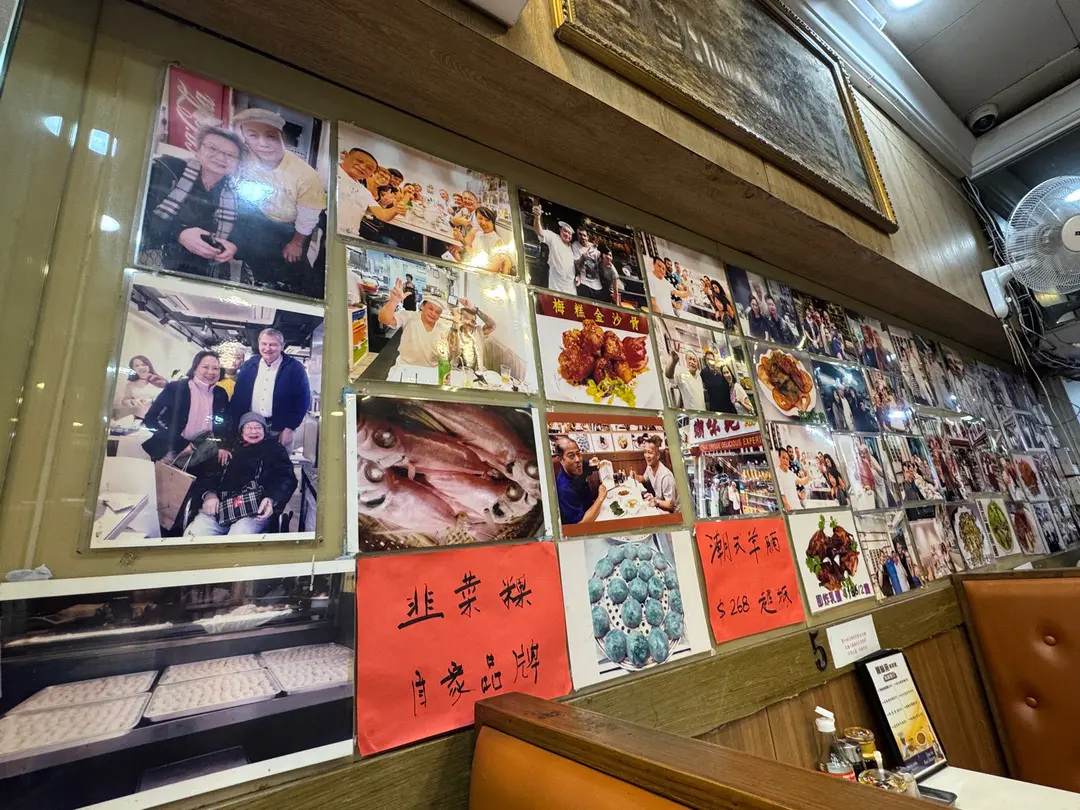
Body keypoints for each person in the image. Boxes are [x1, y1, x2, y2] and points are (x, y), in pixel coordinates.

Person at [232, 108, 327, 296]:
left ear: (282, 137)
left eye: (270, 136)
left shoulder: (306, 175)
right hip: (258, 217)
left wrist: (297, 243)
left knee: (295, 269)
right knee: (256, 258)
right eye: (253, 136)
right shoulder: (244, 158)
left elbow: (307, 218)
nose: (263, 144)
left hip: (292, 226)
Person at [141, 125, 244, 278]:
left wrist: (234, 247)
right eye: (212, 148)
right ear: (198, 150)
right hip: (154, 268)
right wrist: (179, 234)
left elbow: (245, 236)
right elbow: (139, 216)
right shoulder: (167, 169)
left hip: (207, 275)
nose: (221, 157)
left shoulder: (237, 195)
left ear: (237, 163)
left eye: (230, 155)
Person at [186, 412, 297, 537]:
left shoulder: (275, 449)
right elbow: (207, 474)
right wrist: (209, 494)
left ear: (264, 431)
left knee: (239, 535)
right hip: (220, 507)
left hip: (254, 511)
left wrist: (271, 498)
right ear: (241, 430)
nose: (253, 431)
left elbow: (286, 478)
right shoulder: (227, 448)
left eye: (258, 427)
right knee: (196, 533)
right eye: (248, 427)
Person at [142, 351, 231, 464]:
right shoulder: (176, 388)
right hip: (172, 452)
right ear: (194, 369)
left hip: (206, 453)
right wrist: (180, 443)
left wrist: (222, 445)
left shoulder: (220, 393)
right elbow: (151, 419)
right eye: (205, 367)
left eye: (215, 368)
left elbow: (222, 423)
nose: (211, 372)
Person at [230, 328, 311, 447]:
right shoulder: (249, 365)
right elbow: (238, 397)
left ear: (282, 346)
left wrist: (290, 428)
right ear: (259, 344)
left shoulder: (295, 368)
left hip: (280, 429)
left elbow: (303, 401)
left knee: (278, 459)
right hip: (251, 428)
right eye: (264, 344)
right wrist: (236, 426)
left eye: (273, 344)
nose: (267, 348)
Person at [378, 280, 452, 369]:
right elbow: (384, 319)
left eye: (437, 312)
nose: (433, 314)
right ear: (423, 306)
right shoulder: (409, 317)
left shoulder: (442, 329)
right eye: (430, 309)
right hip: (405, 366)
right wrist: (393, 301)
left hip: (431, 370)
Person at [553, 436, 606, 525]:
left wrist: (594, 463)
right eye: (571, 456)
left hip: (590, 508)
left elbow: (590, 465)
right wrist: (600, 498)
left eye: (578, 453)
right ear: (561, 460)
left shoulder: (577, 466)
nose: (578, 460)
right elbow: (581, 525)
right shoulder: (564, 489)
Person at [531, 206, 577, 294]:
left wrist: (578, 276)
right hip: (556, 285)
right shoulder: (553, 237)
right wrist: (537, 218)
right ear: (560, 230)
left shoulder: (572, 247)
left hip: (571, 287)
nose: (567, 234)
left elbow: (576, 265)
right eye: (565, 231)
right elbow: (539, 231)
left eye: (569, 233)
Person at [447, 298, 497, 373]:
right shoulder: (455, 332)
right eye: (466, 318)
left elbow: (493, 325)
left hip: (476, 373)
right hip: (457, 371)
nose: (469, 322)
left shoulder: (478, 332)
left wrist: (474, 309)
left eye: (473, 321)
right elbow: (451, 351)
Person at [464, 205, 512, 275]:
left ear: (492, 222)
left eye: (487, 220)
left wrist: (467, 248)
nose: (483, 223)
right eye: (480, 218)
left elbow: (493, 269)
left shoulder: (498, 242)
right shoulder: (477, 232)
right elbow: (465, 244)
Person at [636, 435, 678, 512]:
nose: (647, 456)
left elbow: (671, 505)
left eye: (650, 452)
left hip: (674, 512)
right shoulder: (649, 467)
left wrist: (655, 501)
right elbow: (644, 479)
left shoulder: (666, 476)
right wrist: (635, 476)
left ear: (658, 455)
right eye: (645, 452)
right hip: (660, 505)